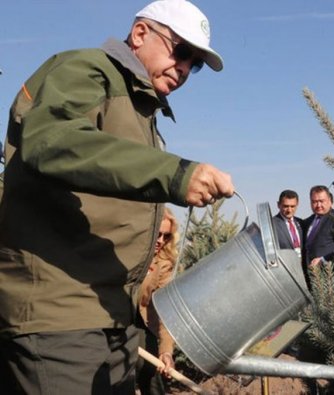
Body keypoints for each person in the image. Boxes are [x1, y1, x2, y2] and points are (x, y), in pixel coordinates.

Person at [0, 1, 234, 393]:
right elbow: (51, 141)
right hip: (60, 313)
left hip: (113, 316)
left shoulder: (143, 109)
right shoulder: (86, 71)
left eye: (193, 64)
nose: (184, 69)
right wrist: (175, 175)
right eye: (180, 52)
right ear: (141, 33)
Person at [135, 207, 179, 395]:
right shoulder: (128, 255)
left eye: (166, 236)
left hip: (142, 323)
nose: (161, 241)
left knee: (154, 374)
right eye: (158, 234)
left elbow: (164, 309)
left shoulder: (163, 263)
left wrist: (166, 351)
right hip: (113, 321)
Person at [302, 185, 334, 270]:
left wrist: (324, 259)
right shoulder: (307, 221)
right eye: (314, 202)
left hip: (331, 274)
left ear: (329, 201)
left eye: (321, 201)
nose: (318, 205)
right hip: (310, 274)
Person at [273, 189, 304, 258]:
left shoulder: (301, 223)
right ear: (278, 205)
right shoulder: (272, 225)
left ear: (297, 205)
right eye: (286, 206)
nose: (289, 210)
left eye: (292, 206)